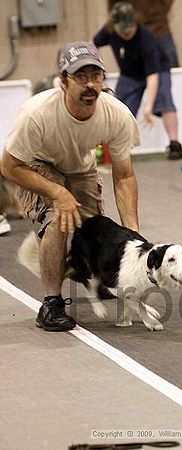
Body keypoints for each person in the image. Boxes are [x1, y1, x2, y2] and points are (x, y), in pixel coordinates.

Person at [1, 41, 140, 332]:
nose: (90, 84)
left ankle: (87, 271)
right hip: (35, 165)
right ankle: (51, 304)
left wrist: (133, 234)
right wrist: (57, 192)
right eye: (80, 76)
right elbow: (8, 166)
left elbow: (124, 176)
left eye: (96, 76)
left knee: (93, 228)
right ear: (63, 80)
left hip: (79, 167)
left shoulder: (116, 114)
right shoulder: (37, 114)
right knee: (59, 218)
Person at [94, 1, 182, 160]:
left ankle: (174, 143)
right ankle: (116, 147)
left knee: (165, 99)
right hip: (130, 73)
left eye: (131, 29)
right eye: (124, 31)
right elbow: (93, 45)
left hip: (158, 69)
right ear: (114, 27)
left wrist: (148, 108)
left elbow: (152, 75)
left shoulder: (145, 37)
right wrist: (94, 71)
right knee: (120, 108)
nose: (128, 33)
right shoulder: (108, 32)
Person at [107, 0, 179, 68]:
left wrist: (159, 13)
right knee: (135, 72)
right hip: (132, 32)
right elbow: (113, 8)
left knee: (171, 67)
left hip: (158, 28)